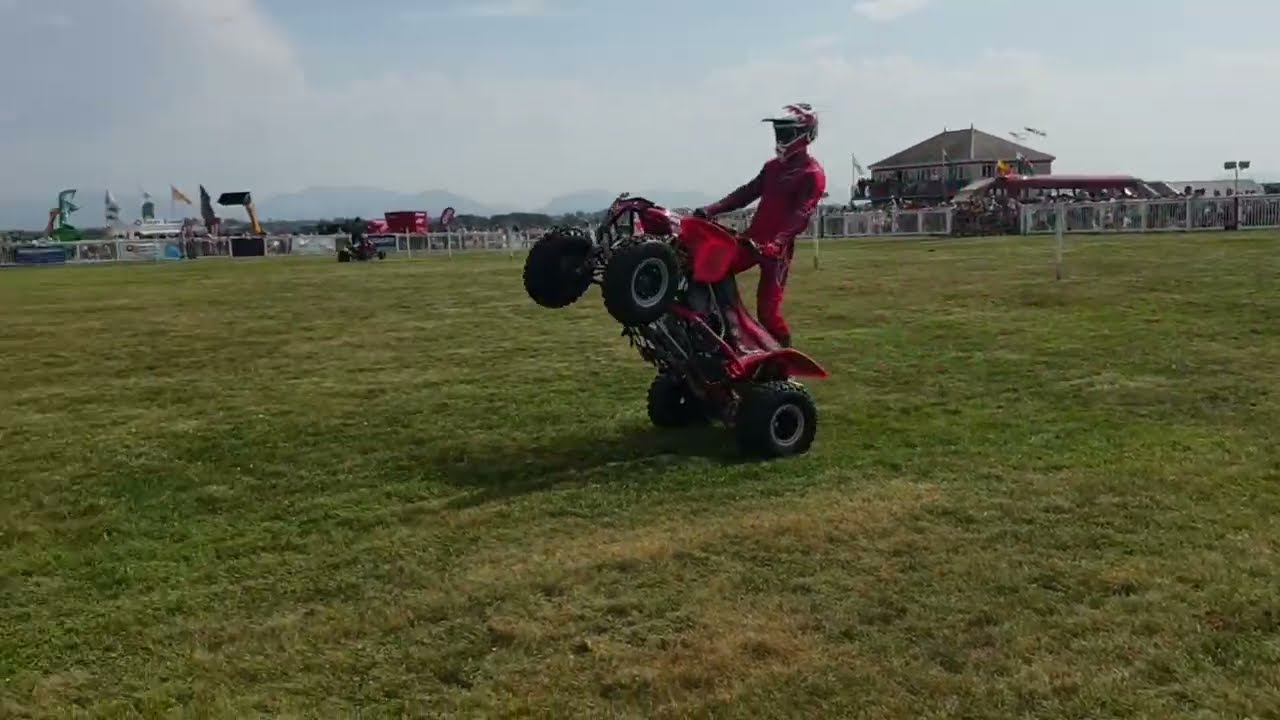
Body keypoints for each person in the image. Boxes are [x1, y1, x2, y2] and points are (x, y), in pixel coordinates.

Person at [696, 103, 826, 348]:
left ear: (805, 135)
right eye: (778, 132)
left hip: (777, 252)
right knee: (711, 271)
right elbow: (746, 194)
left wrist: (777, 243)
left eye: (786, 133)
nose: (780, 138)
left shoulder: (812, 173)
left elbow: (801, 214)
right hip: (751, 240)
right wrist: (710, 209)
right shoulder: (772, 167)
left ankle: (783, 361)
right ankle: (726, 335)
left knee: (768, 312)